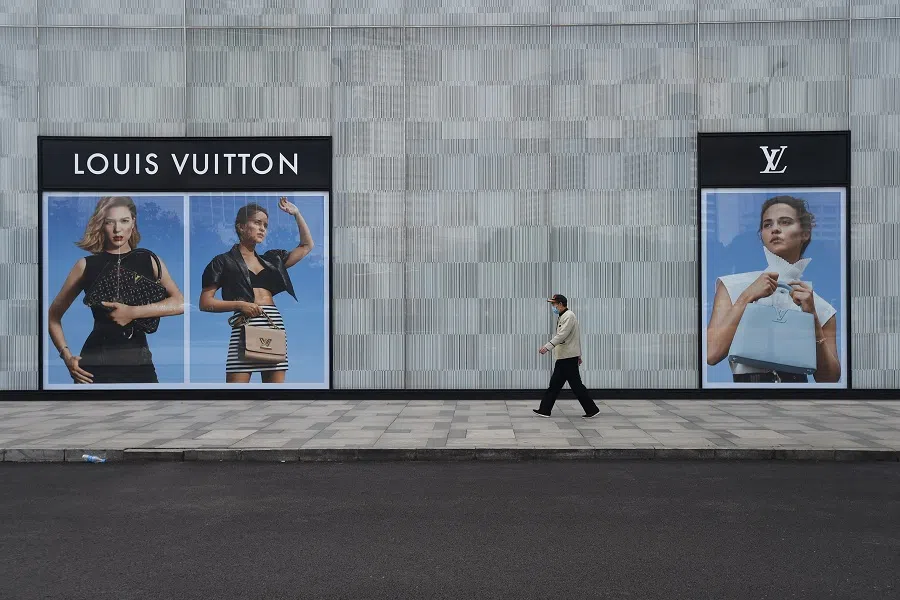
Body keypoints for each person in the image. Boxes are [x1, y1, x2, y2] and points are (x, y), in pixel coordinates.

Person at [48, 196, 184, 384]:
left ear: (133, 222)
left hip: (140, 364)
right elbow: (53, 316)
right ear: (101, 224)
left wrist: (133, 312)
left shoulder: (150, 260)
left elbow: (179, 303)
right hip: (95, 365)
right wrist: (67, 357)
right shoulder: (85, 265)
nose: (117, 229)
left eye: (124, 221)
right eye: (109, 222)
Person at [706, 195, 841, 383]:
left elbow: (829, 379)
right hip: (745, 395)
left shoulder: (820, 307)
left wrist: (813, 318)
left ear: (805, 233)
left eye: (785, 222)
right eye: (767, 224)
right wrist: (746, 297)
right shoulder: (732, 286)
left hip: (798, 397)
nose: (775, 229)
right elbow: (711, 354)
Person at [199, 197, 314, 383]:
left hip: (272, 324)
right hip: (244, 325)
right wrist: (240, 305)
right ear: (241, 227)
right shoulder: (222, 261)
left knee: (275, 395)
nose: (262, 229)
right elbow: (205, 303)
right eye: (257, 223)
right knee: (235, 395)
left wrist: (296, 214)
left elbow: (306, 246)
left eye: (265, 225)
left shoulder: (273, 260)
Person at [534, 294, 601, 419]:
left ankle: (591, 409)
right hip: (566, 356)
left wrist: (547, 347)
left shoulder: (569, 316)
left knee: (573, 386)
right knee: (557, 385)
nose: (553, 306)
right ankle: (545, 410)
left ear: (560, 304)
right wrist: (578, 355)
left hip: (567, 358)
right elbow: (574, 337)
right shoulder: (563, 316)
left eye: (554, 304)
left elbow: (562, 335)